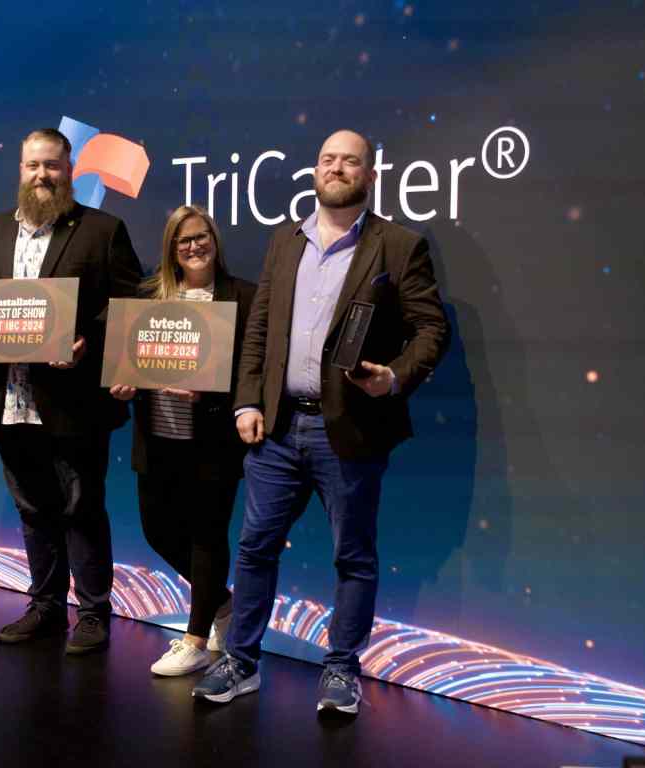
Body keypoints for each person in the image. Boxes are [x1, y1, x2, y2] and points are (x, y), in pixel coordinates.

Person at [193, 130, 450, 715]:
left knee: (353, 557)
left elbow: (432, 329)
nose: (337, 168)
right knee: (254, 548)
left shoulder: (398, 246)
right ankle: (241, 661)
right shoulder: (285, 241)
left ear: (370, 176)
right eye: (328, 159)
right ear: (315, 170)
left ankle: (341, 669)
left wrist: (394, 377)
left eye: (350, 161)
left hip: (352, 430)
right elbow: (259, 329)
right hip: (278, 430)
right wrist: (247, 401)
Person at [0, 128, 142, 654]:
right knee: (33, 510)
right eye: (33, 165)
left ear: (70, 170)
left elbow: (129, 304)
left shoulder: (101, 230)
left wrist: (88, 341)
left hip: (74, 402)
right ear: (20, 170)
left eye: (53, 165)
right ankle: (45, 607)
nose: (42, 175)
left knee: (82, 508)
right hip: (9, 399)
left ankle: (93, 614)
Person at [109, 205, 255, 676]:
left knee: (207, 534)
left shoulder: (243, 297)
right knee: (157, 531)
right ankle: (223, 604)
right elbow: (130, 364)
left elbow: (254, 372)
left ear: (215, 240)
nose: (194, 246)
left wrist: (212, 391)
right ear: (171, 248)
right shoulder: (147, 297)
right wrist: (125, 385)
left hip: (213, 441)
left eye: (201, 236)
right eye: (183, 239)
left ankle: (195, 639)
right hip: (158, 438)